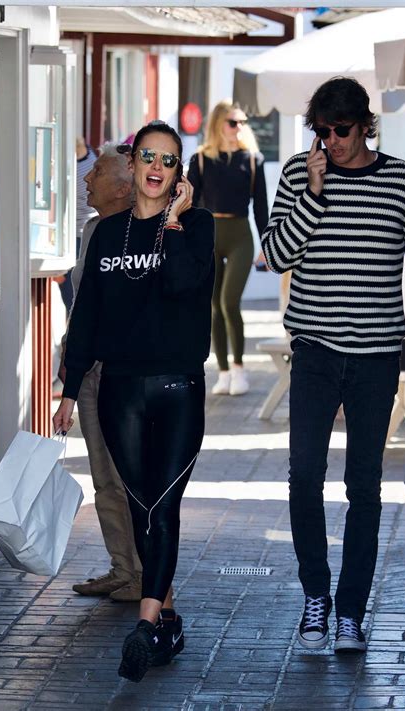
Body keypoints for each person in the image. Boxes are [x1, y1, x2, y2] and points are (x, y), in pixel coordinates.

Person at [261, 77, 405, 654]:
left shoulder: (404, 181)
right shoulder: (299, 177)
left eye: (341, 131)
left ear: (365, 125)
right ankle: (315, 598)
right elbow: (275, 255)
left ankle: (351, 610)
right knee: (303, 476)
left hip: (376, 356)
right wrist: (313, 193)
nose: (330, 141)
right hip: (314, 352)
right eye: (321, 132)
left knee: (364, 486)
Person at [53, 120, 215, 682]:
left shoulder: (194, 227)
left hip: (176, 387)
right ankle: (166, 619)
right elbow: (89, 315)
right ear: (135, 163)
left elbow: (183, 286)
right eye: (147, 155)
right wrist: (70, 390)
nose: (155, 166)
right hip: (119, 389)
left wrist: (170, 222)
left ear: (178, 173)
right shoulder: (106, 232)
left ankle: (145, 625)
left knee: (163, 506)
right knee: (143, 509)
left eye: (167, 160)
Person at [58, 143, 143, 601]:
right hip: (89, 369)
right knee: (103, 477)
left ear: (124, 186)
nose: (86, 180)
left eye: (95, 172)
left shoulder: (145, 234)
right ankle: (122, 567)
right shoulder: (93, 230)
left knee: (130, 475)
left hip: (123, 374)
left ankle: (146, 575)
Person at [188, 100, 268, 396]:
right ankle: (222, 372)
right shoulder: (199, 159)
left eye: (243, 122)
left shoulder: (252, 159)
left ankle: (238, 368)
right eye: (234, 122)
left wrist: (267, 245)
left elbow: (261, 207)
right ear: (218, 124)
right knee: (212, 306)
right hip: (208, 234)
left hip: (239, 234)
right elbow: (189, 206)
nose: (239, 128)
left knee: (229, 302)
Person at [57, 138, 97, 314]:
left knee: (72, 295)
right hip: (88, 232)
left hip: (75, 236)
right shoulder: (92, 157)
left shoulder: (70, 168)